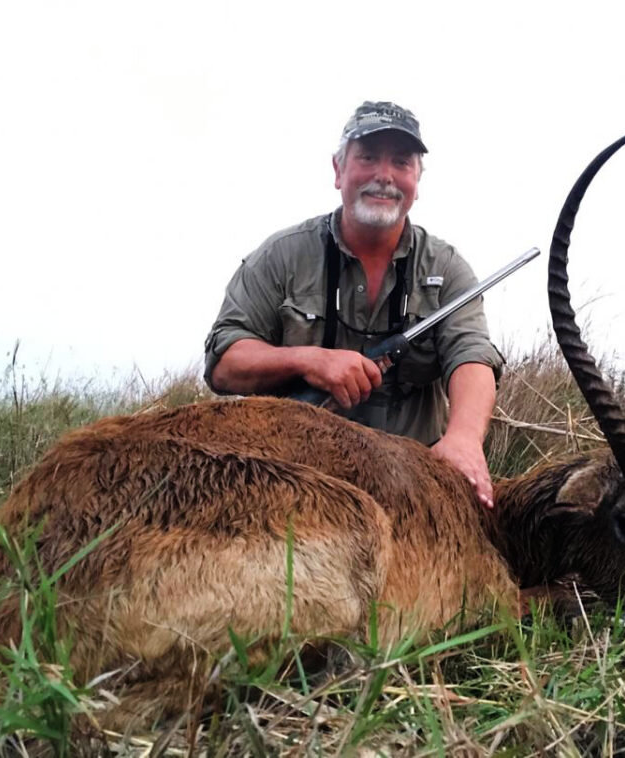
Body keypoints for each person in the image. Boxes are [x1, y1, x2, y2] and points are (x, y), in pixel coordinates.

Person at [204, 101, 503, 508]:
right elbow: (224, 363)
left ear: (417, 178)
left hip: (411, 484)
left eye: (401, 162)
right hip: (293, 478)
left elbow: (471, 357)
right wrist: (310, 361)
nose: (384, 176)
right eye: (367, 158)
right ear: (338, 170)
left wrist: (464, 441)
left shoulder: (447, 268)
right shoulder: (281, 256)